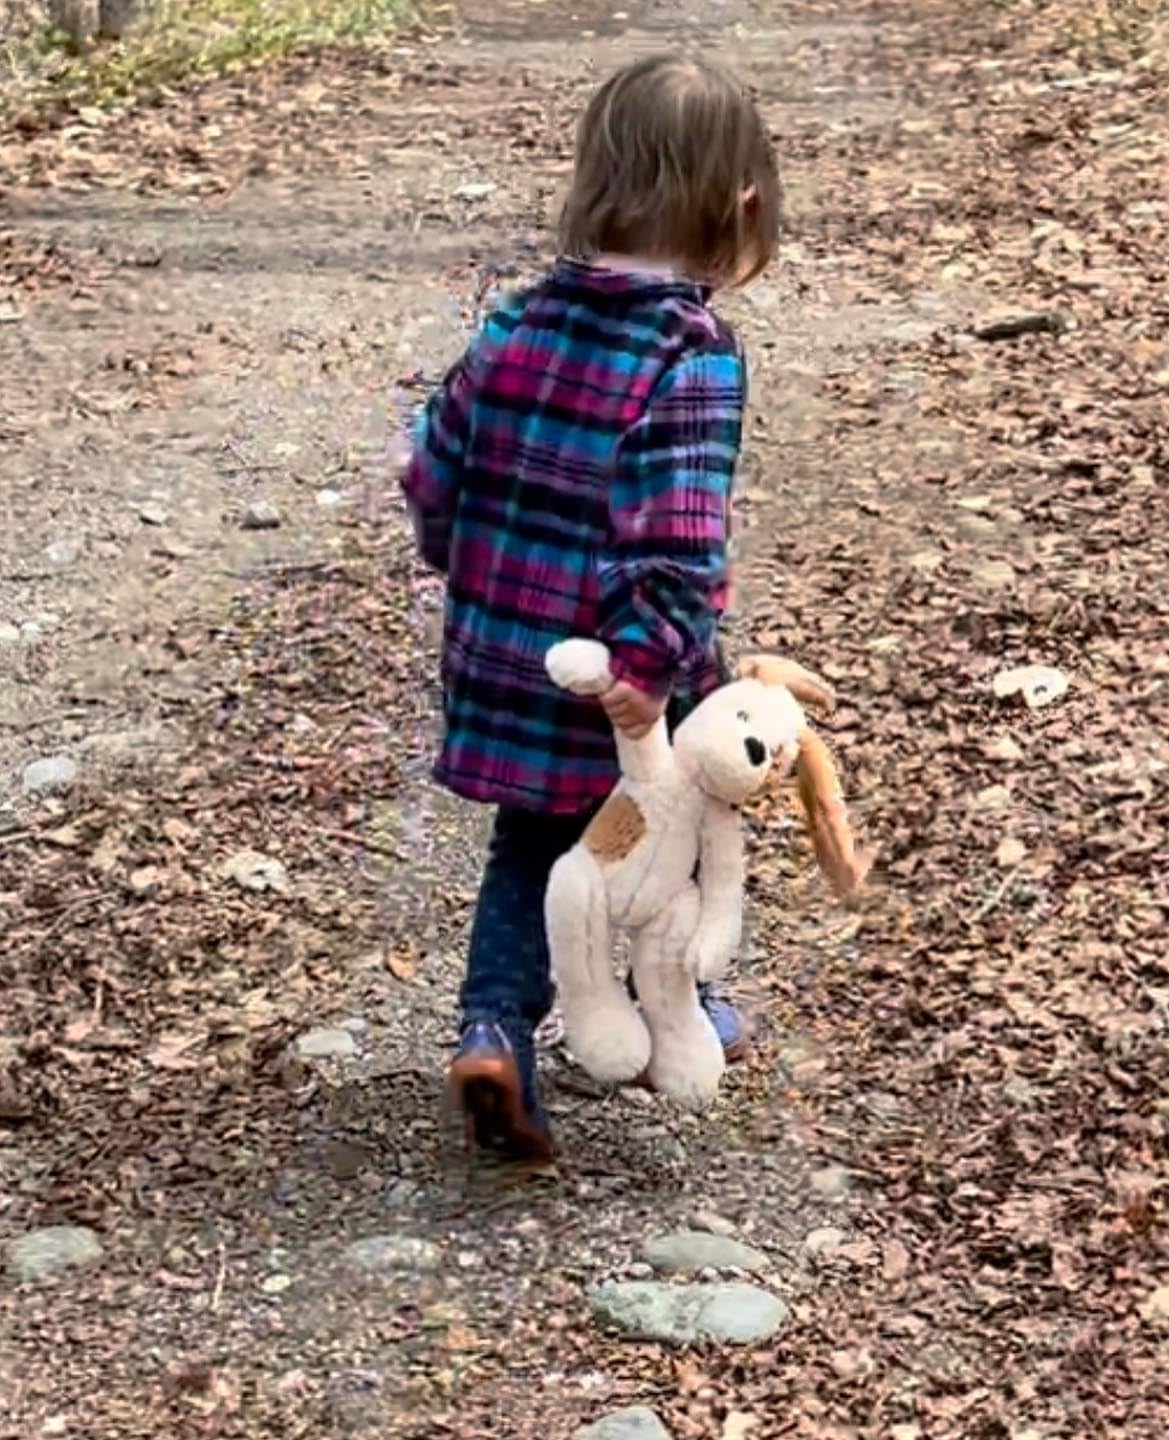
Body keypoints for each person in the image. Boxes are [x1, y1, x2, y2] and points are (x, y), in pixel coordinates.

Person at [400, 54, 781, 1164]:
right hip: (620, 675)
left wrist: (462, 569)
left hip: (505, 649)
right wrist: (655, 656)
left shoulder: (515, 323)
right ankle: (679, 999)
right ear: (740, 204)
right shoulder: (688, 353)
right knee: (658, 835)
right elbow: (675, 530)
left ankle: (496, 1031)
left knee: (534, 844)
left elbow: (434, 469)